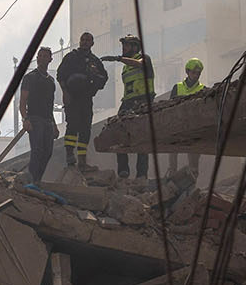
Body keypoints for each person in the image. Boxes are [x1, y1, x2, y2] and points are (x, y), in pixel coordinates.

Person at [56, 32, 108, 172]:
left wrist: (94, 83)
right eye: (82, 40)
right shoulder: (71, 57)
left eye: (87, 40)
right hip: (72, 97)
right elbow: (60, 75)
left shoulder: (95, 61)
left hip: (86, 98)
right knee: (72, 126)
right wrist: (65, 92)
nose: (84, 42)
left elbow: (103, 78)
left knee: (85, 129)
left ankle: (82, 161)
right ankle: (69, 156)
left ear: (92, 43)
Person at [109, 35, 155, 180]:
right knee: (117, 132)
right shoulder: (126, 67)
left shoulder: (144, 58)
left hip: (143, 102)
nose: (124, 48)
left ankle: (141, 174)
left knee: (142, 138)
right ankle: (123, 171)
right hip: (128, 102)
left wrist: (118, 58)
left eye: (127, 45)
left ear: (135, 47)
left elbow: (140, 64)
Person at [18, 47, 58, 187]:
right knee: (37, 149)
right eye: (39, 56)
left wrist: (54, 124)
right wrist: (25, 119)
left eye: (44, 56)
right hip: (34, 119)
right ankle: (32, 180)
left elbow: (50, 104)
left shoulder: (51, 81)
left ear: (50, 59)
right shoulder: (30, 77)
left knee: (47, 152)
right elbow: (23, 101)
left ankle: (37, 180)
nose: (41, 58)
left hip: (47, 120)